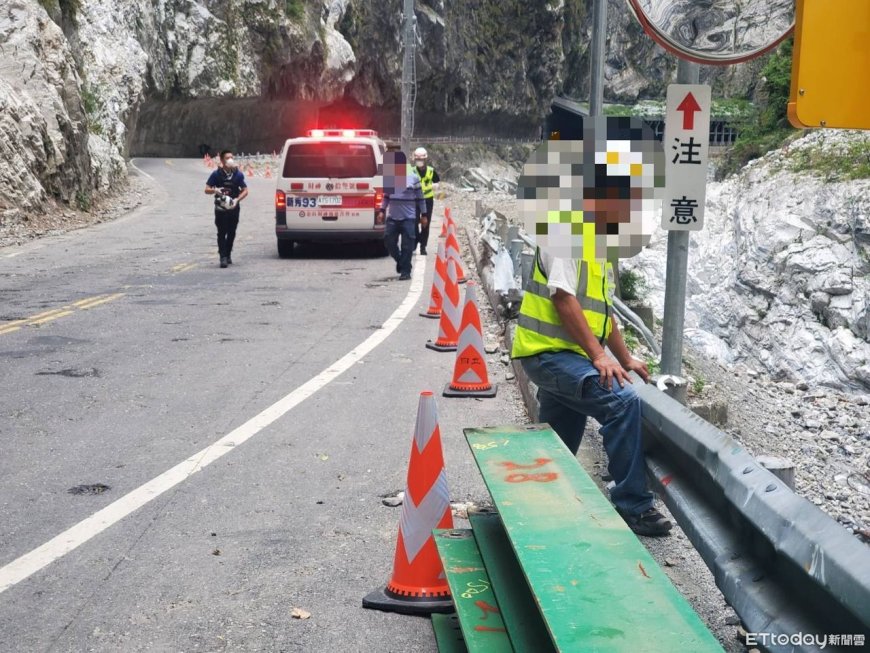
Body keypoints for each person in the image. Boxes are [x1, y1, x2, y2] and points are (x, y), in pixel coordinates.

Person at [512, 119, 671, 537]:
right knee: (622, 403)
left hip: (571, 358)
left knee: (556, 442)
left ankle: (536, 502)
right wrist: (600, 357)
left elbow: (603, 313)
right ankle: (632, 506)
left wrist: (625, 356)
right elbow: (563, 298)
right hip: (547, 356)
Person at [377, 152, 426, 280]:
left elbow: (421, 198)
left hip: (408, 218)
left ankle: (406, 271)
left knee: (407, 245)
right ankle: (400, 260)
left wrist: (424, 215)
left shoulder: (414, 178)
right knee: (388, 241)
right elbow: (386, 197)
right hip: (393, 217)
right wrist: (382, 211)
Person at [205, 150, 249, 268]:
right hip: (220, 208)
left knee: (232, 232)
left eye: (231, 157)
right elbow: (206, 189)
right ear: (222, 160)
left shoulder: (238, 175)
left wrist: (237, 200)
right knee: (221, 232)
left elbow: (245, 190)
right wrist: (215, 190)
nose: (230, 160)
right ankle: (222, 257)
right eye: (227, 158)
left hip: (234, 207)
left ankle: (228, 253)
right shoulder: (216, 175)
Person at [412, 147, 440, 255]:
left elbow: (437, 182)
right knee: (413, 223)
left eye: (421, 160)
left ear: (425, 160)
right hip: (414, 200)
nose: (420, 162)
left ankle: (423, 247)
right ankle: (415, 241)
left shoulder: (431, 171)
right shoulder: (412, 171)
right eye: (418, 160)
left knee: (425, 224)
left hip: (427, 200)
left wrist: (434, 186)